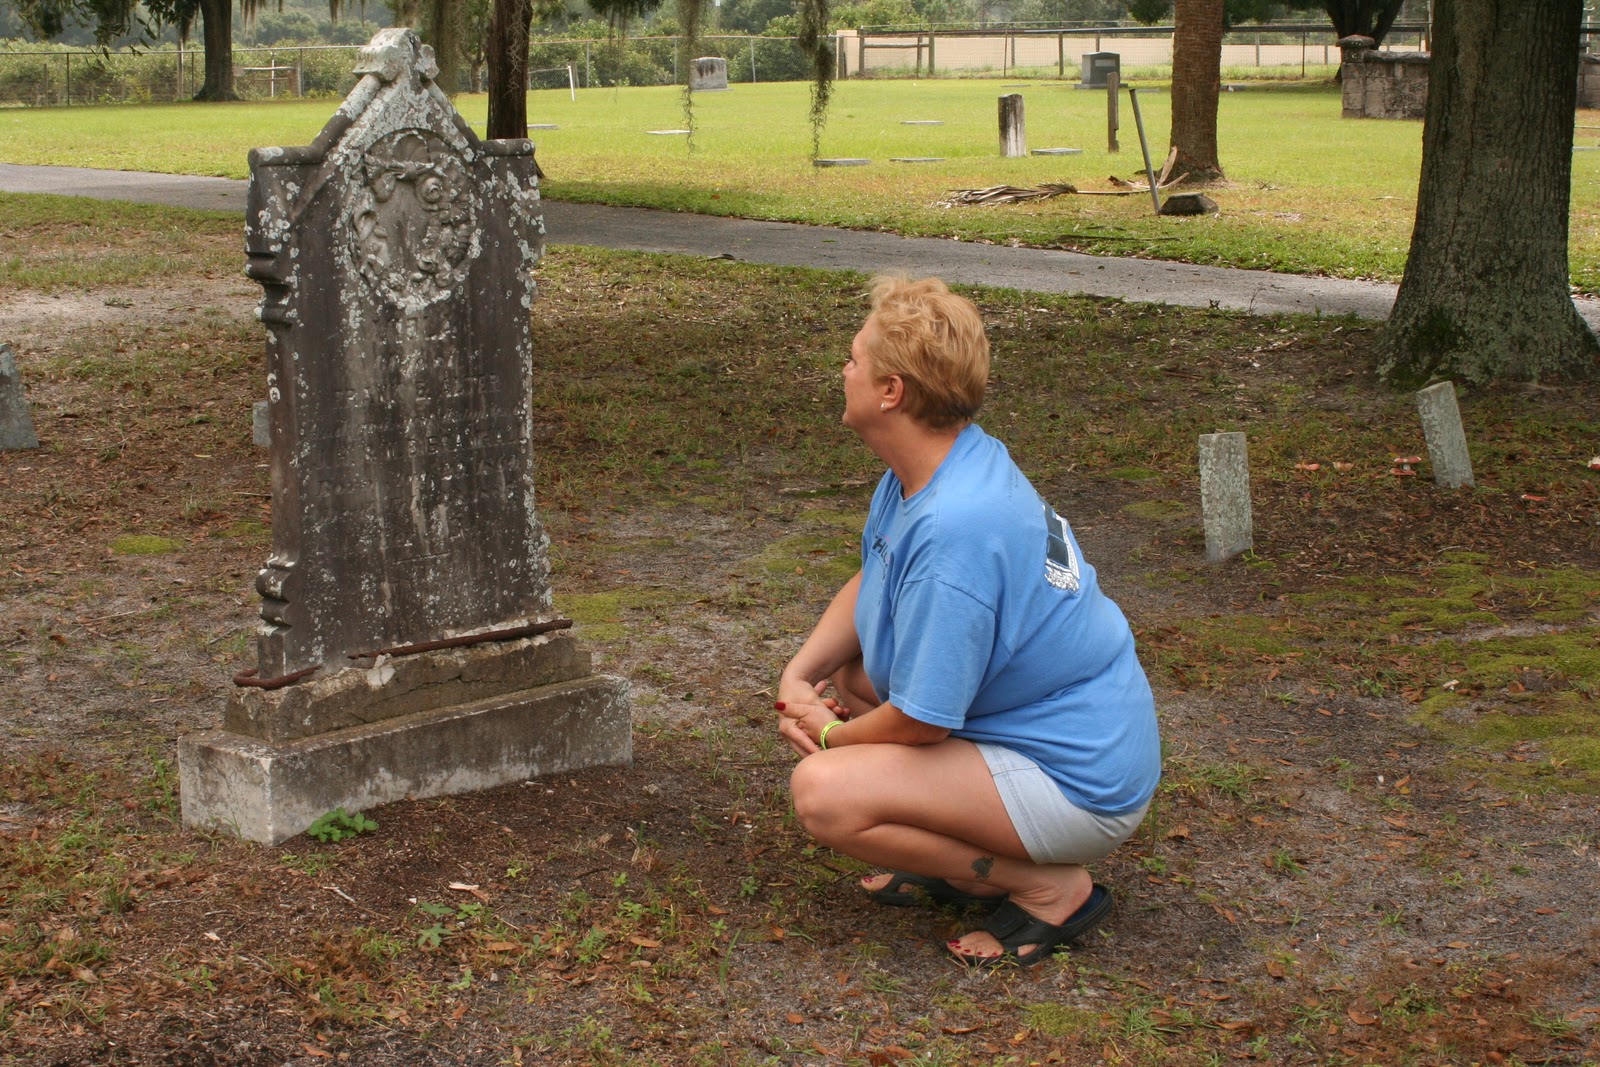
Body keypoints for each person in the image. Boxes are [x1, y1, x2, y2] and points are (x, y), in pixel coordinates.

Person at [775, 275, 1161, 967]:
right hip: (1031, 728)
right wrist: (799, 672)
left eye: (855, 358)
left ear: (891, 391)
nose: (845, 369)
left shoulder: (957, 525)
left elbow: (923, 722)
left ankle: (1046, 886)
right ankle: (957, 852)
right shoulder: (940, 462)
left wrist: (832, 735)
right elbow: (878, 574)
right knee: (856, 670)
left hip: (1081, 778)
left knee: (825, 796)